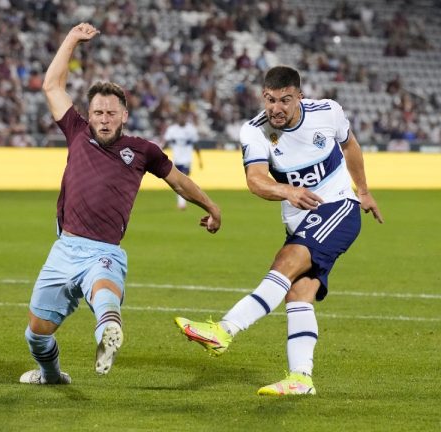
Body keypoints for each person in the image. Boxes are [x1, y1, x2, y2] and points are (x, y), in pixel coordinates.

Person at [20, 23, 221, 385]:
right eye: (98, 112)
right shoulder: (77, 132)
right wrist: (71, 40)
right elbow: (52, 85)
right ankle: (51, 375)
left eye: (112, 113)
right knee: (36, 333)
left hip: (104, 250)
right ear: (90, 114)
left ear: (124, 116)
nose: (104, 119)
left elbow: (179, 180)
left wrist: (210, 206)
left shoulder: (143, 151)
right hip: (65, 248)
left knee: (104, 292)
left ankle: (108, 333)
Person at [175, 66, 383, 396]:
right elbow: (255, 180)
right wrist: (288, 191)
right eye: (270, 100)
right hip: (301, 222)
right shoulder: (254, 131)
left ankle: (224, 330)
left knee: (286, 261)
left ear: (299, 96)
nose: (277, 108)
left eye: (285, 100)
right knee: (298, 293)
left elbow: (350, 146)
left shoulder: (328, 112)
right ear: (263, 97)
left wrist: (364, 190)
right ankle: (301, 378)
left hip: (339, 206)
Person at [163, 111, 203, 209]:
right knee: (177, 182)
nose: (182, 119)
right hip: (176, 159)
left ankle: (182, 203)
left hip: (186, 160)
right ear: (177, 118)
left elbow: (196, 145)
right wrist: (159, 154)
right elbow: (166, 143)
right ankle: (184, 201)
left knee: (184, 181)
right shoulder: (172, 130)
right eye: (180, 117)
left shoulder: (191, 130)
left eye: (184, 117)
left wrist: (200, 159)